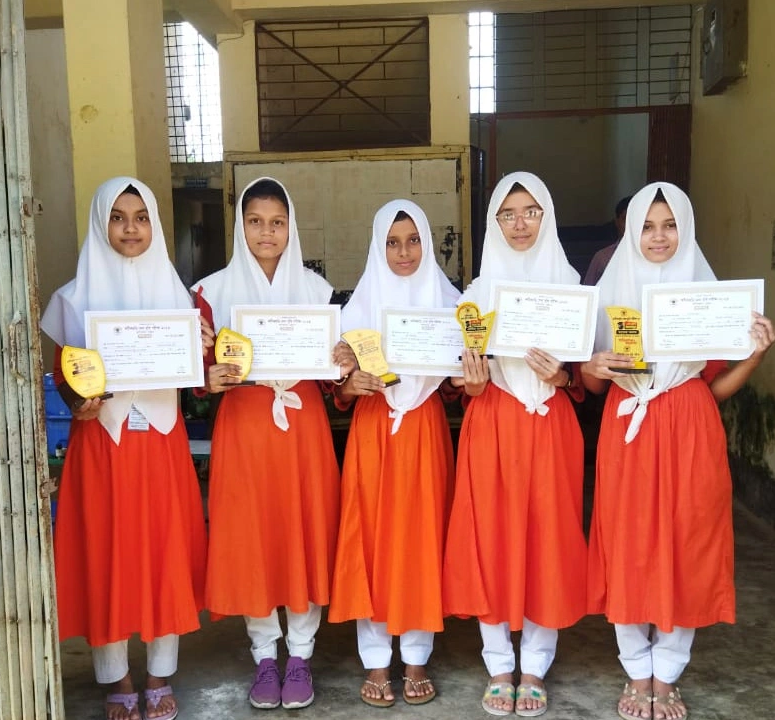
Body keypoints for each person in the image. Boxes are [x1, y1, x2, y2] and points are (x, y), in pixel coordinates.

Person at [581, 182, 775, 720]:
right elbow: (591, 385)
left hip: (691, 425)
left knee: (687, 542)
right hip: (628, 425)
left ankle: (666, 674)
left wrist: (754, 357)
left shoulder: (704, 293)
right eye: (647, 225)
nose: (659, 236)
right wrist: (594, 367)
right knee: (628, 544)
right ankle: (635, 670)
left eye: (670, 225)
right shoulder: (607, 294)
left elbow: (714, 388)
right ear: (630, 230)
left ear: (685, 229)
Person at [41, 177, 211, 720]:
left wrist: (203, 351)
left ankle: (160, 673)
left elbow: (199, 377)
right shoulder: (72, 299)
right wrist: (78, 403)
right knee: (106, 552)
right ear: (101, 224)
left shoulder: (181, 299)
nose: (131, 228)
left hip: (160, 440)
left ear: (154, 224)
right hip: (102, 443)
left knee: (164, 552)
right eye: (118, 217)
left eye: (141, 217)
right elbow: (63, 373)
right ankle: (115, 677)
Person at [194, 177, 348, 711]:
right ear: (240, 226)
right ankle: (264, 655)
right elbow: (197, 373)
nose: (267, 232)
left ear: (291, 227)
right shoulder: (210, 293)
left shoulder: (317, 292)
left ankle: (301, 654)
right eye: (255, 222)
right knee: (251, 537)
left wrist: (343, 362)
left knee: (302, 530)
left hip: (302, 428)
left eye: (277, 223)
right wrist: (208, 376)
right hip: (244, 427)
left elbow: (332, 376)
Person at [442, 171, 588, 718]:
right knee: (492, 541)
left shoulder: (572, 287)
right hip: (494, 421)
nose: (520, 224)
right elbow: (458, 375)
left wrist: (562, 376)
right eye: (508, 214)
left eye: (531, 212)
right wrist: (471, 385)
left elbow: (587, 378)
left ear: (546, 217)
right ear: (493, 223)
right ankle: (500, 665)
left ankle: (535, 668)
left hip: (550, 425)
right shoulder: (476, 297)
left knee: (547, 540)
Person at [329, 200, 461, 708]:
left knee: (421, 537)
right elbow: (336, 392)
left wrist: (462, 374)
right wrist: (348, 383)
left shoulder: (453, 305)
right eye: (392, 242)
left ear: (427, 243)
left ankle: (417, 657)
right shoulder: (354, 313)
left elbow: (457, 386)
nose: (404, 252)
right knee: (371, 540)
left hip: (424, 429)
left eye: (413, 240)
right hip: (372, 431)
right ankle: (377, 660)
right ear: (377, 246)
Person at [582, 195, 632, 286]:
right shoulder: (602, 257)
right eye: (625, 219)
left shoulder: (654, 254)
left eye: (635, 219)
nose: (630, 224)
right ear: (617, 222)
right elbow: (589, 289)